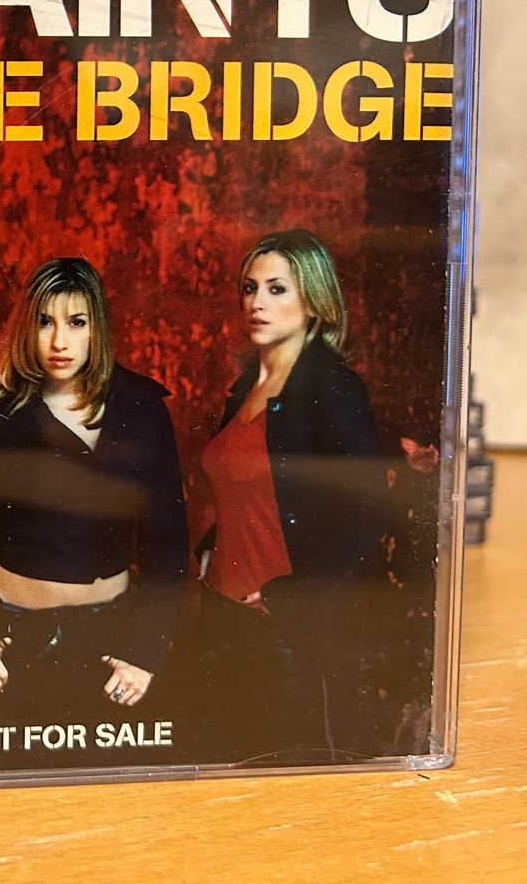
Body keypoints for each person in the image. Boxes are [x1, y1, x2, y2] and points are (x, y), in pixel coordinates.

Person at [0, 258, 188, 741]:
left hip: (111, 645)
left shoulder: (142, 410)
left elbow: (168, 546)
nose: (59, 342)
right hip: (8, 640)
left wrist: (144, 652)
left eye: (76, 322)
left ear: (97, 328)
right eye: (45, 322)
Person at [192, 228, 388, 762]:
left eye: (277, 289)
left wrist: (293, 594)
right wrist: (211, 549)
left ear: (314, 302)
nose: (257, 303)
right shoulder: (244, 390)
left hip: (283, 628)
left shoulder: (332, 388)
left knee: (281, 777)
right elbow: (246, 488)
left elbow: (369, 510)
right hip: (222, 614)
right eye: (249, 288)